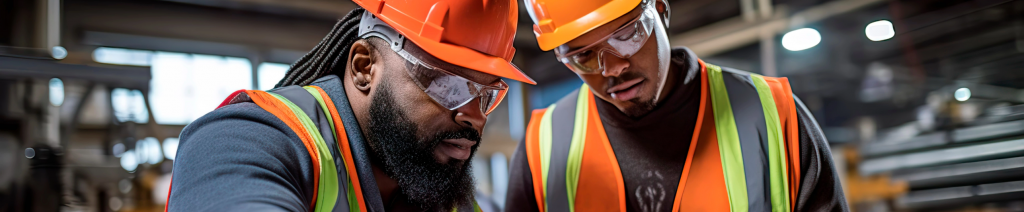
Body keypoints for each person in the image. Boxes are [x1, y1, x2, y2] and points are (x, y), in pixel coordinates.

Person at [165, 0, 534, 211]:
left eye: (487, 94)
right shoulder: (243, 142)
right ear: (363, 67)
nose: (474, 116)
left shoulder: (445, 194)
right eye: (447, 84)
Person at [504, 0, 849, 211]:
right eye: (582, 56)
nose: (613, 68)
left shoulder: (773, 112)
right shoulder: (543, 145)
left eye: (626, 36)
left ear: (661, 12)